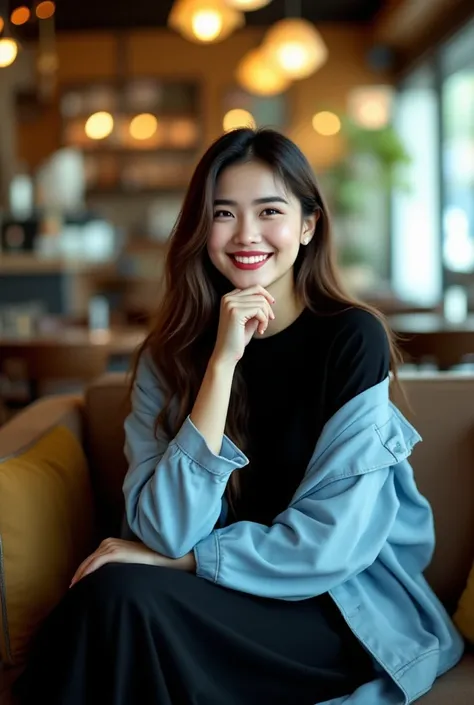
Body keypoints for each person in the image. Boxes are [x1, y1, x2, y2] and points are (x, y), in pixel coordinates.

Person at [18, 128, 463, 705]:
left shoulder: (351, 340)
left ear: (308, 225)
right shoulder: (169, 353)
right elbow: (162, 529)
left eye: (270, 211)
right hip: (217, 603)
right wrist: (222, 364)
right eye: (223, 213)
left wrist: (184, 562)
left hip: (331, 609)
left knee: (119, 598)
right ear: (201, 230)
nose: (246, 235)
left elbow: (331, 546)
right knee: (115, 598)